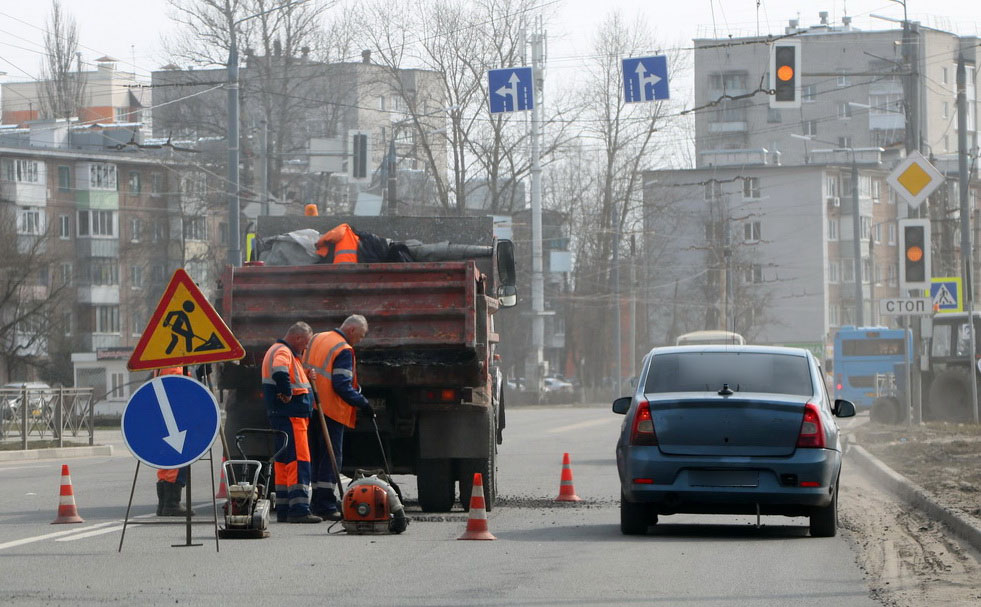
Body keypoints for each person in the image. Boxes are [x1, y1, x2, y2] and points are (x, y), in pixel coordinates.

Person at [303, 314, 373, 520]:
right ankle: (324, 503)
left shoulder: (317, 337)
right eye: (359, 336)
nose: (358, 341)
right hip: (330, 409)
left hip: (311, 405)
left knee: (316, 456)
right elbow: (341, 384)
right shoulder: (343, 349)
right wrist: (363, 402)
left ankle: (317, 501)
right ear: (351, 330)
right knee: (331, 458)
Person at [261, 322, 321, 524]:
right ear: (297, 338)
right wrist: (286, 391)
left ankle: (285, 507)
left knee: (284, 461)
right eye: (305, 343)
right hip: (292, 415)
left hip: (282, 415)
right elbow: (280, 370)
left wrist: (305, 373)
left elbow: (289, 374)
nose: (306, 348)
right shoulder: (283, 351)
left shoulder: (282, 352)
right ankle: (300, 508)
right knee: (298, 460)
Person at [153, 366, 194, 517]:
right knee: (177, 461)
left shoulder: (161, 361)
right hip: (175, 412)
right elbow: (178, 382)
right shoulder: (174, 363)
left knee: (167, 462)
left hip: (167, 412)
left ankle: (164, 504)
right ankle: (171, 504)